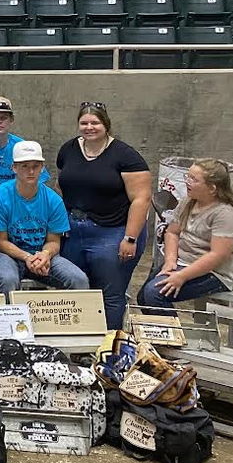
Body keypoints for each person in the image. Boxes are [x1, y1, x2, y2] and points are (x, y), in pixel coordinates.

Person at [56, 102, 152, 329]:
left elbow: (141, 199)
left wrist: (130, 238)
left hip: (113, 230)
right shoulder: (68, 149)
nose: (89, 127)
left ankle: (110, 345)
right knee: (78, 287)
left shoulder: (126, 156)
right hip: (74, 229)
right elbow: (65, 183)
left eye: (95, 123)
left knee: (111, 292)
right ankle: (80, 340)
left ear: (106, 124)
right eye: (84, 123)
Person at [138, 158, 233, 313]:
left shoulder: (225, 214)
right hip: (182, 262)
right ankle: (159, 334)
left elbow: (217, 256)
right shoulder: (188, 202)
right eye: (187, 177)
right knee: (143, 297)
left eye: (193, 179)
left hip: (213, 272)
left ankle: (174, 336)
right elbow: (172, 232)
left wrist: (182, 276)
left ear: (212, 188)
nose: (187, 182)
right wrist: (169, 261)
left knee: (154, 295)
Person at [0, 141, 90, 293]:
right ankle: (7, 316)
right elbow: (0, 242)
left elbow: (54, 242)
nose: (31, 171)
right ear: (14, 168)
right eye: (24, 166)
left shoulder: (53, 200)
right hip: (8, 255)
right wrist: (27, 257)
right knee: (7, 279)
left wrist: (45, 255)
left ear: (42, 168)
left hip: (41, 254)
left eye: (35, 166)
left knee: (78, 279)